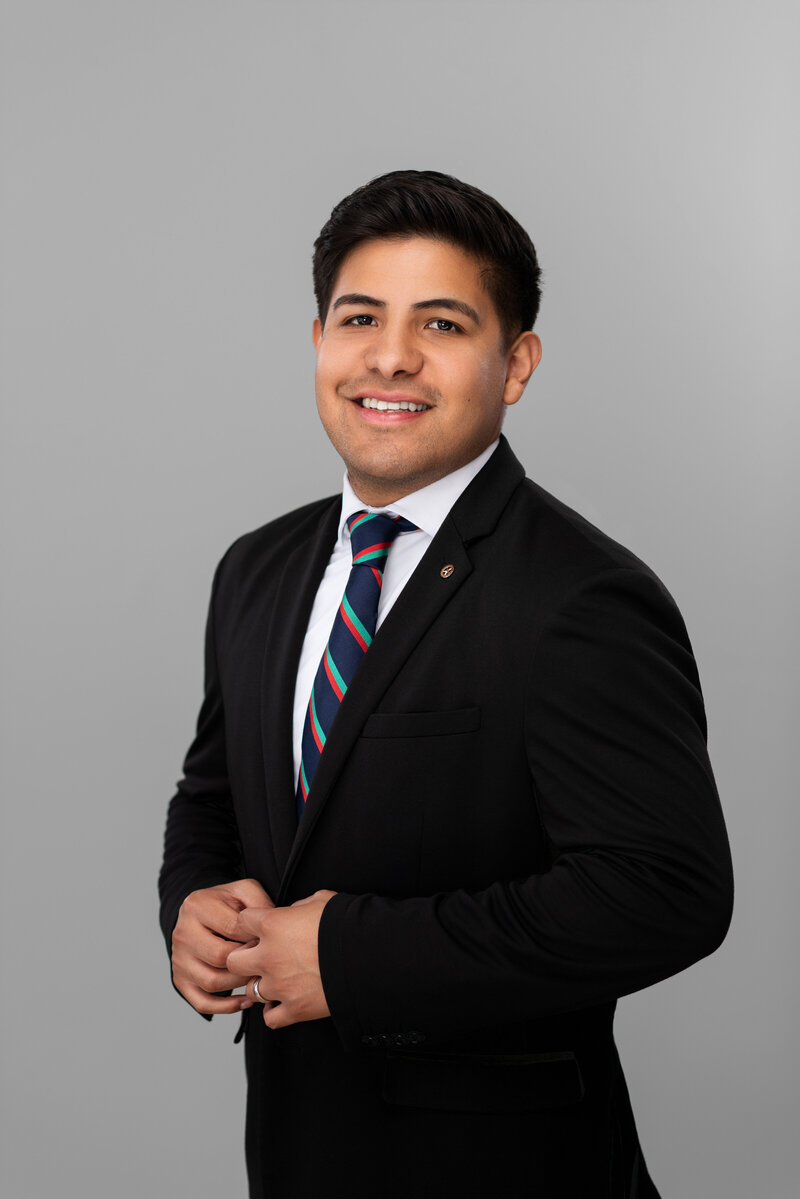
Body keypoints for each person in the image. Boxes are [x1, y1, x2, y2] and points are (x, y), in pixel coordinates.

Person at [159, 169, 733, 1198]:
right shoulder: (256, 566)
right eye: (359, 317)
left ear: (514, 365)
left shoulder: (581, 595)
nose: (390, 355)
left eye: (441, 323)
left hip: (505, 1167)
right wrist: (191, 904)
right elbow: (213, 796)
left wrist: (345, 952)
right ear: (319, 342)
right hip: (297, 1150)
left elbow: (662, 894)